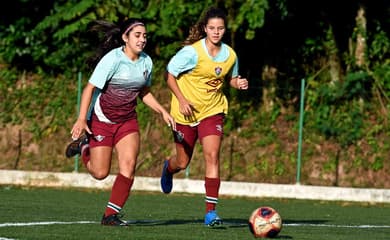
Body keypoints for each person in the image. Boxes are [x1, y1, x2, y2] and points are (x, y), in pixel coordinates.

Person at [65, 18, 175, 226]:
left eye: (144, 35)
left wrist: (162, 111)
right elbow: (89, 89)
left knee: (129, 164)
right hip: (102, 120)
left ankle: (110, 215)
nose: (142, 39)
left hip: (127, 120)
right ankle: (85, 147)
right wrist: (81, 119)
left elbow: (143, 92)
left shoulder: (146, 62)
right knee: (100, 173)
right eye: (137, 35)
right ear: (125, 37)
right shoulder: (112, 60)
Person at [160, 6, 248, 227]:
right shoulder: (191, 53)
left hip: (212, 110)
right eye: (212, 28)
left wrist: (238, 83)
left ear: (225, 30)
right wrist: (181, 100)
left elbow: (230, 78)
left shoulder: (231, 55)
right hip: (185, 113)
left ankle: (211, 213)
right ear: (205, 29)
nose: (216, 32)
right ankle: (169, 168)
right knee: (183, 161)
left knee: (212, 155)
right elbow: (169, 75)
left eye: (220, 28)